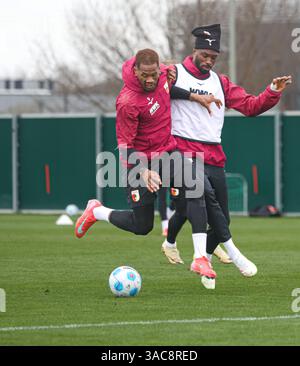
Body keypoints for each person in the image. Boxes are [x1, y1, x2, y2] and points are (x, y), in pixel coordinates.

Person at [75, 49, 221, 289]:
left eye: (154, 74)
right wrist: (144, 172)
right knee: (142, 226)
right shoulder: (127, 102)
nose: (150, 79)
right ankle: (97, 211)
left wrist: (197, 97)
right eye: (145, 75)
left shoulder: (164, 74)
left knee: (195, 187)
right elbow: (124, 147)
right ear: (135, 71)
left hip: (168, 152)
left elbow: (168, 89)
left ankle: (200, 258)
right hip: (139, 163)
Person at [163, 23, 292, 276]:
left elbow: (251, 106)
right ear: (195, 50)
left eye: (213, 57)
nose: (209, 61)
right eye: (205, 55)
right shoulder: (173, 73)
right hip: (183, 152)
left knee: (223, 218)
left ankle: (204, 260)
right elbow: (149, 85)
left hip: (213, 156)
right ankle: (227, 252)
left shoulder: (220, 82)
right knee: (201, 194)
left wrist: (272, 91)